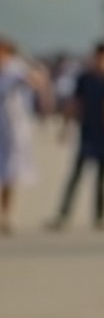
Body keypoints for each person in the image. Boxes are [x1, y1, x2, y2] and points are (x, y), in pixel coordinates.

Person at [47, 42, 104, 231]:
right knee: (75, 176)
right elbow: (75, 104)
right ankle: (64, 214)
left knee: (102, 180)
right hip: (86, 134)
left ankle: (100, 217)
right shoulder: (84, 79)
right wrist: (65, 127)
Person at [0, 37, 49, 235]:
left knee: (9, 173)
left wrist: (31, 69)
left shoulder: (15, 70)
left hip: (12, 130)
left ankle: (6, 214)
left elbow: (38, 81)